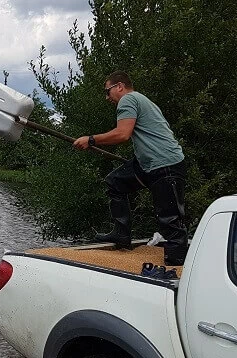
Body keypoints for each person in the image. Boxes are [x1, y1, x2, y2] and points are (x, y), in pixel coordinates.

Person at [73, 71, 188, 265]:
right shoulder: (143, 101)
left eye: (108, 91)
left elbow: (123, 134)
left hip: (165, 164)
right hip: (148, 163)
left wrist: (91, 140)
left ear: (119, 86)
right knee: (116, 182)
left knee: (170, 220)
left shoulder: (128, 100)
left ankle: (176, 266)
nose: (107, 97)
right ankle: (121, 234)